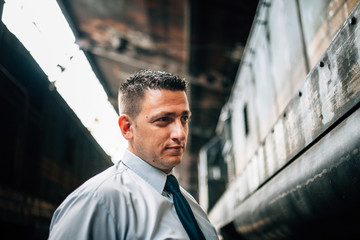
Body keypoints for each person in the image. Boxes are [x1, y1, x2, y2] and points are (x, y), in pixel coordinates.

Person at [48, 70, 219, 239]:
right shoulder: (96, 202)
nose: (180, 133)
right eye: (164, 119)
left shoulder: (190, 205)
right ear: (127, 128)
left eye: (184, 118)